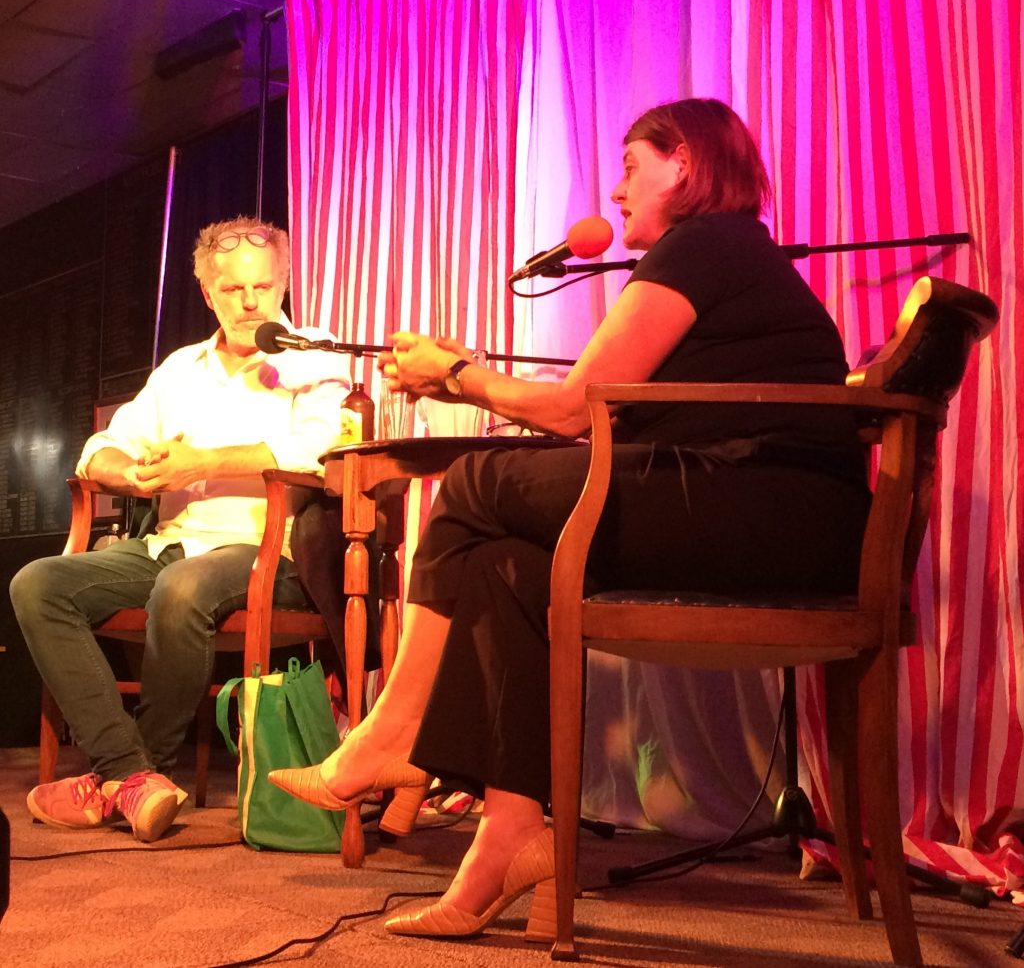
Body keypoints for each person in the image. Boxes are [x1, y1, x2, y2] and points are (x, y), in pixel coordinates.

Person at [270, 98, 872, 939]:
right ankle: (510, 836)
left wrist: (460, 376)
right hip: (759, 509)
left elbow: (569, 410)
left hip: (773, 513)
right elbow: (601, 409)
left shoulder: (706, 243)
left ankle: (392, 736)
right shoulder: (722, 254)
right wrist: (466, 376)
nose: (616, 191)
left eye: (630, 167)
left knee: (474, 482)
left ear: (684, 163)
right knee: (506, 566)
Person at [10, 216, 349, 843]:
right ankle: (132, 775)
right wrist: (132, 475)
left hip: (269, 552)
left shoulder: (314, 353)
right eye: (233, 290)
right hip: (170, 544)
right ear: (208, 293)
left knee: (183, 587)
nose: (250, 303)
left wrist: (205, 463)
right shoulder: (180, 370)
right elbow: (100, 448)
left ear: (284, 283)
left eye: (264, 287)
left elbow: (319, 452)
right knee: (37, 584)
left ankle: (129, 774)